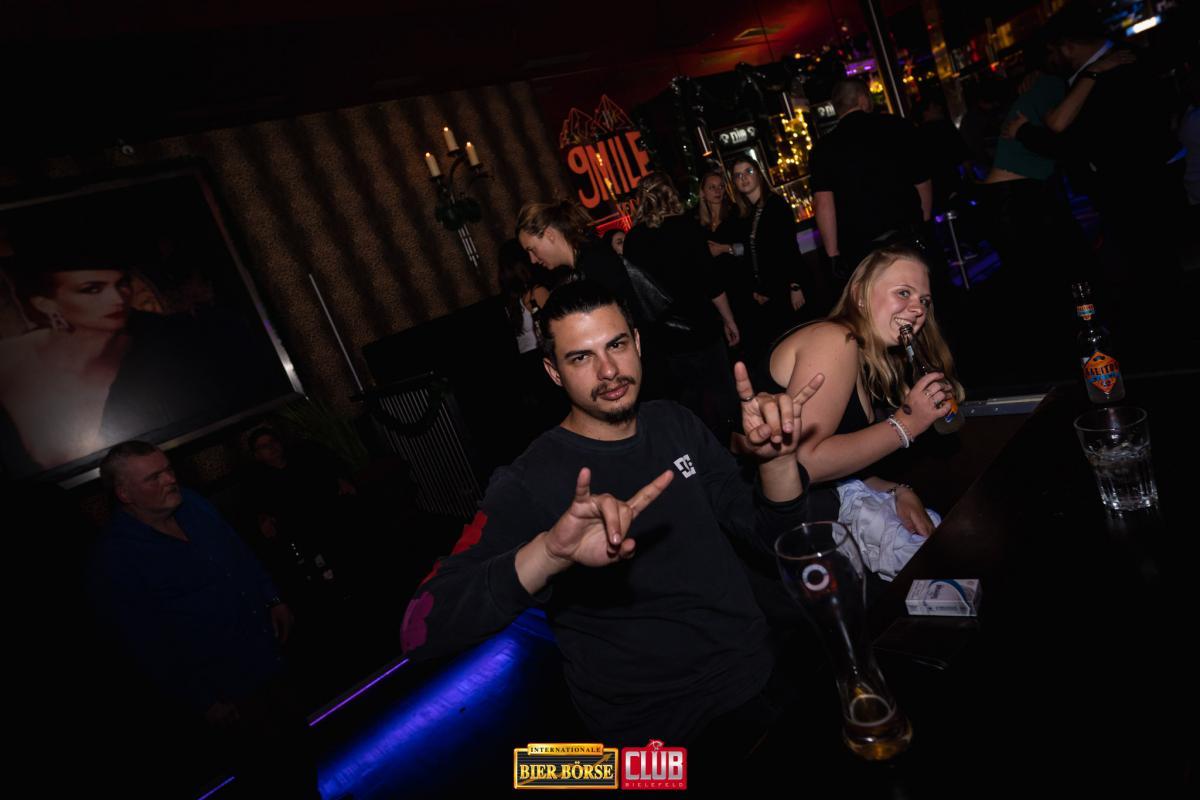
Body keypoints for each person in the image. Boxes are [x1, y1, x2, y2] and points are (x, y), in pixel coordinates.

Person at [400, 279, 836, 752]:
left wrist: (777, 462)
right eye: (580, 357)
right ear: (553, 372)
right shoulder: (529, 480)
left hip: (757, 676)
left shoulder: (675, 424)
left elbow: (775, 537)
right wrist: (548, 554)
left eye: (616, 345)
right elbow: (420, 629)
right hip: (653, 738)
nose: (608, 370)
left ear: (638, 343)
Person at [88, 441, 319, 799]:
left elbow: (240, 553)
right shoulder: (116, 557)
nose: (170, 479)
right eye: (154, 477)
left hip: (266, 654)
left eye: (168, 469)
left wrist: (273, 598)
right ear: (124, 494)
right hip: (227, 690)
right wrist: (203, 700)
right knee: (266, 774)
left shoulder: (193, 504)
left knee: (299, 746)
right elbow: (144, 642)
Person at [0, 226, 274, 477]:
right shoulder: (11, 364)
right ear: (46, 303)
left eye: (122, 283)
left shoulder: (169, 341)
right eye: (91, 289)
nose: (118, 299)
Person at [768, 245, 963, 544]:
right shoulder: (833, 340)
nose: (919, 309)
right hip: (777, 531)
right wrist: (907, 425)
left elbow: (840, 464)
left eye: (924, 300)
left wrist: (897, 491)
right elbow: (803, 465)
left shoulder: (867, 360)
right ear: (860, 295)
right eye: (903, 292)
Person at [622, 173, 740, 440]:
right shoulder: (687, 227)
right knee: (722, 395)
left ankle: (700, 451)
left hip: (665, 338)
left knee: (688, 406)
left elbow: (636, 296)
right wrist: (729, 320)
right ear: (671, 194)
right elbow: (711, 282)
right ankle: (735, 448)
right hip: (702, 328)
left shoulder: (633, 240)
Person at [809, 79, 933, 291]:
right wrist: (925, 225)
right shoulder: (898, 126)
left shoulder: (823, 149)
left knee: (880, 302)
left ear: (836, 108)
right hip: (907, 235)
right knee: (920, 295)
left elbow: (823, 204)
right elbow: (922, 181)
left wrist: (833, 255)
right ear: (863, 99)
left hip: (862, 250)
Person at [706, 156, 808, 376]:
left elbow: (788, 249)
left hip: (783, 290)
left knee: (796, 351)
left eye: (748, 172)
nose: (743, 178)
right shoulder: (746, 213)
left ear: (759, 173)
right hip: (764, 295)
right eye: (738, 175)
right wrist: (757, 290)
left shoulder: (775, 205)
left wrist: (795, 286)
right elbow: (751, 257)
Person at [515, 200, 637, 315]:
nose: (532, 260)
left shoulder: (594, 261)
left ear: (549, 235)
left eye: (532, 249)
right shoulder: (584, 261)